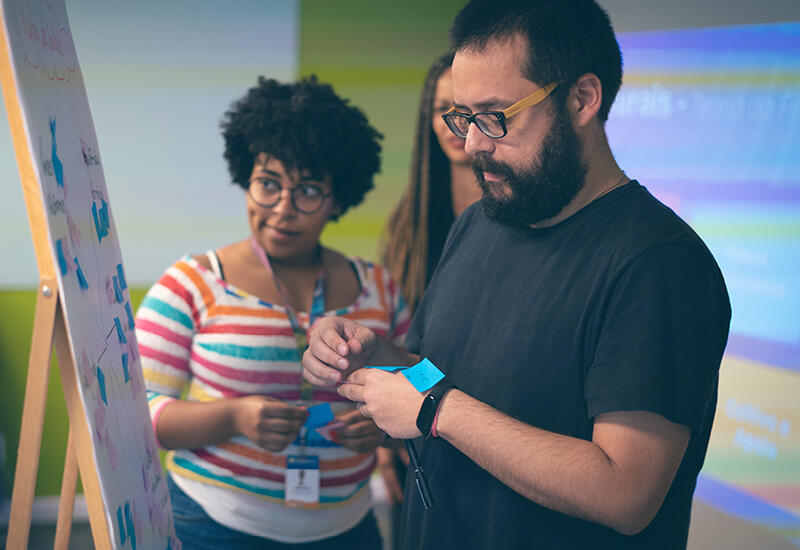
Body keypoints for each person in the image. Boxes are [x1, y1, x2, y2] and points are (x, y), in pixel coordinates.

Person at [302, 1, 731, 549]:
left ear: (581, 99)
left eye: (495, 115)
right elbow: (444, 380)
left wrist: (435, 410)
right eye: (463, 117)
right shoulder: (481, 222)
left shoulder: (658, 264)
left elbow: (626, 494)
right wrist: (382, 357)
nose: (473, 143)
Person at [135, 76, 409, 549]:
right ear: (246, 180)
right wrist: (233, 418)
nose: (282, 208)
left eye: (306, 191)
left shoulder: (379, 287)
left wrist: (386, 429)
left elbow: (419, 383)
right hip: (213, 527)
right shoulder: (190, 283)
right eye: (267, 184)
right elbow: (137, 414)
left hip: (348, 530)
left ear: (337, 198)